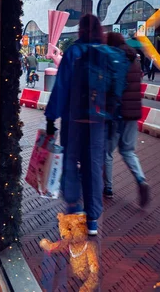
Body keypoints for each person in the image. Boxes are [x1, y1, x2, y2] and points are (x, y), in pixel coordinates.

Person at [45, 14, 127, 236]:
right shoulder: (107, 54)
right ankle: (92, 220)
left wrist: (51, 117)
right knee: (93, 167)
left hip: (74, 120)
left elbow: (61, 87)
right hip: (98, 123)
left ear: (80, 30)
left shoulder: (74, 52)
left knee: (71, 163)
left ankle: (73, 206)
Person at [104, 32, 150, 207]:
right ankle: (141, 179)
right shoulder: (135, 59)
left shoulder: (114, 58)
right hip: (133, 112)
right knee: (128, 151)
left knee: (107, 152)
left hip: (117, 113)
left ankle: (107, 188)